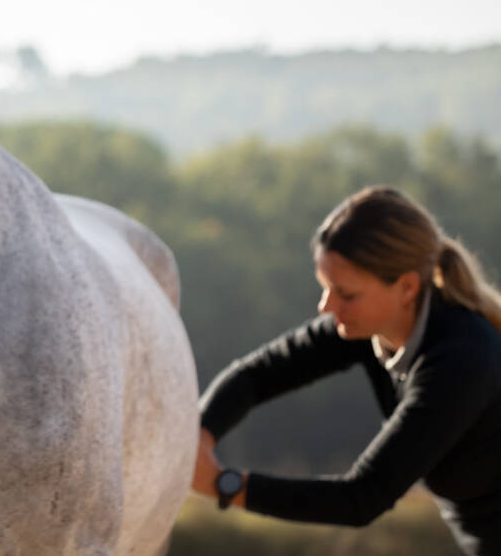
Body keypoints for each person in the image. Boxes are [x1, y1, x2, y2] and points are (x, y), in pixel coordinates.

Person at [193, 185, 501, 555]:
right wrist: (200, 433)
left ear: (406, 287)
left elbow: (361, 498)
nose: (327, 306)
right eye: (325, 288)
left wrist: (226, 485)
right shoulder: (364, 325)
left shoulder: (461, 359)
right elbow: (258, 375)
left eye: (346, 293)